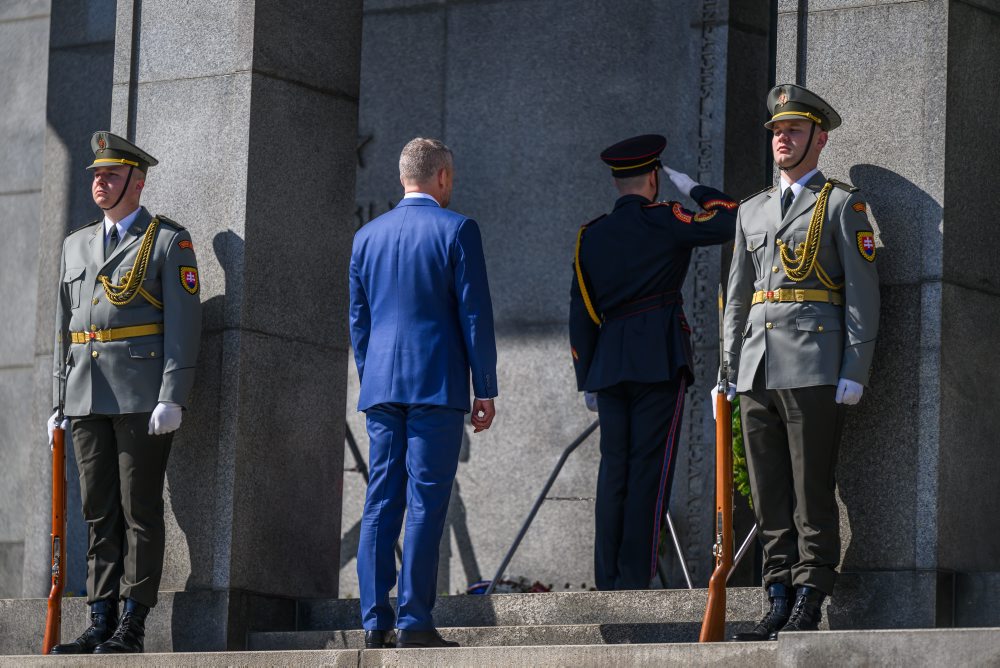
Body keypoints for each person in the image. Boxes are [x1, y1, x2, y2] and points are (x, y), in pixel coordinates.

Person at [723, 84, 880, 640]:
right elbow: (739, 297)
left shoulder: (841, 204)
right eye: (776, 132)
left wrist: (854, 371)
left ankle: (810, 594)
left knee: (812, 488)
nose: (781, 139)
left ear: (821, 137)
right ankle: (776, 590)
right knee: (768, 492)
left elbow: (863, 294)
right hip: (757, 368)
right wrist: (728, 368)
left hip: (814, 363)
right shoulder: (751, 210)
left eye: (792, 130)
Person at [47, 132, 201, 654]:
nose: (99, 182)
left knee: (140, 509)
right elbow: (64, 329)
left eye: (110, 175)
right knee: (98, 510)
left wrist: (173, 395)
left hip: (141, 397)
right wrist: (58, 400)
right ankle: (99, 616)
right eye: (95, 174)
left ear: (137, 181)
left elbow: (184, 325)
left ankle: (132, 624)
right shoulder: (76, 243)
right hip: (86, 397)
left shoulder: (166, 242)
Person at [569, 134, 738, 591]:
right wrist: (695, 189)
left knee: (613, 472)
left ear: (617, 181)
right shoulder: (665, 218)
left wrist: (586, 377)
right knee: (649, 469)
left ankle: (607, 580)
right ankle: (633, 580)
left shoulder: (591, 234)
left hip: (608, 364)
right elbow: (730, 221)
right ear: (653, 177)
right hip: (658, 359)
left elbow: (580, 314)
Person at [350, 137, 498, 649]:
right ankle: (413, 621)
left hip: (382, 388)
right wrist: (486, 387)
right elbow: (474, 314)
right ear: (442, 178)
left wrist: (374, 376)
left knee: (380, 501)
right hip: (436, 384)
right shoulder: (458, 229)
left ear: (401, 177)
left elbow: (360, 321)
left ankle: (373, 621)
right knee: (425, 502)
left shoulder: (366, 236)